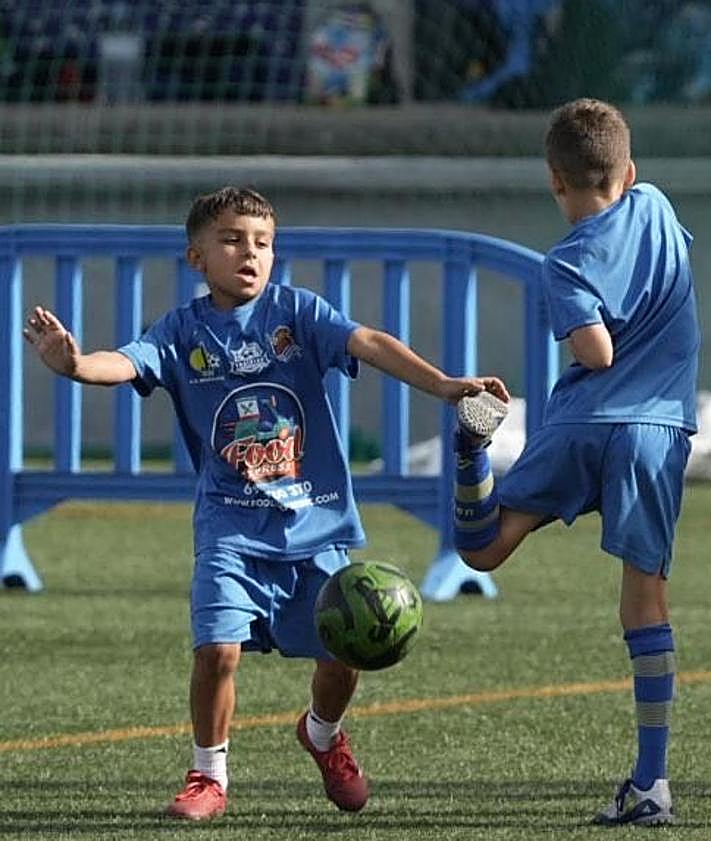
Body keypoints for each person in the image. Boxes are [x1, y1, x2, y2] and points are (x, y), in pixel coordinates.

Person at [23, 186, 508, 822]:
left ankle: (324, 736)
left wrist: (446, 385)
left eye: (263, 243)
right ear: (196, 257)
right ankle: (208, 775)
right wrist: (78, 364)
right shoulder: (182, 332)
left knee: (345, 656)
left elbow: (368, 342)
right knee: (216, 651)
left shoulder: (297, 313)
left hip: (317, 527)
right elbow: (127, 361)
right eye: (231, 240)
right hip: (230, 527)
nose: (250, 253)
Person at [452, 98, 699, 826]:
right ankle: (650, 783)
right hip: (655, 430)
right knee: (644, 601)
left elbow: (595, 353)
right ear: (627, 171)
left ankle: (470, 452)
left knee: (484, 547)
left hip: (585, 422)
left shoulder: (563, 261)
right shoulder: (653, 203)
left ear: (555, 182)